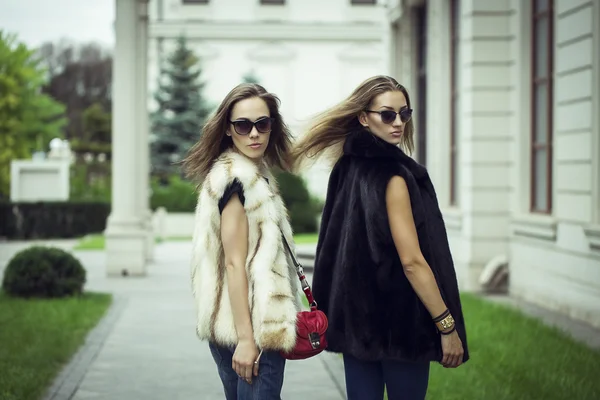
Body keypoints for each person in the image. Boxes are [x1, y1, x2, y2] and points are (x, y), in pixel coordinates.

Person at [290, 75, 469, 400]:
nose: (398, 122)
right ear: (363, 117)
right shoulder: (394, 177)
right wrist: (447, 326)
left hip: (357, 321)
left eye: (405, 113)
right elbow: (412, 262)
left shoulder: (346, 168)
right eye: (387, 114)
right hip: (401, 325)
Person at [182, 83, 302, 400]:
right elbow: (234, 264)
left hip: (236, 325)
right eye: (243, 125)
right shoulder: (237, 179)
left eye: (262, 124)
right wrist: (248, 340)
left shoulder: (251, 174)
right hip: (253, 327)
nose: (254, 133)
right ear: (227, 129)